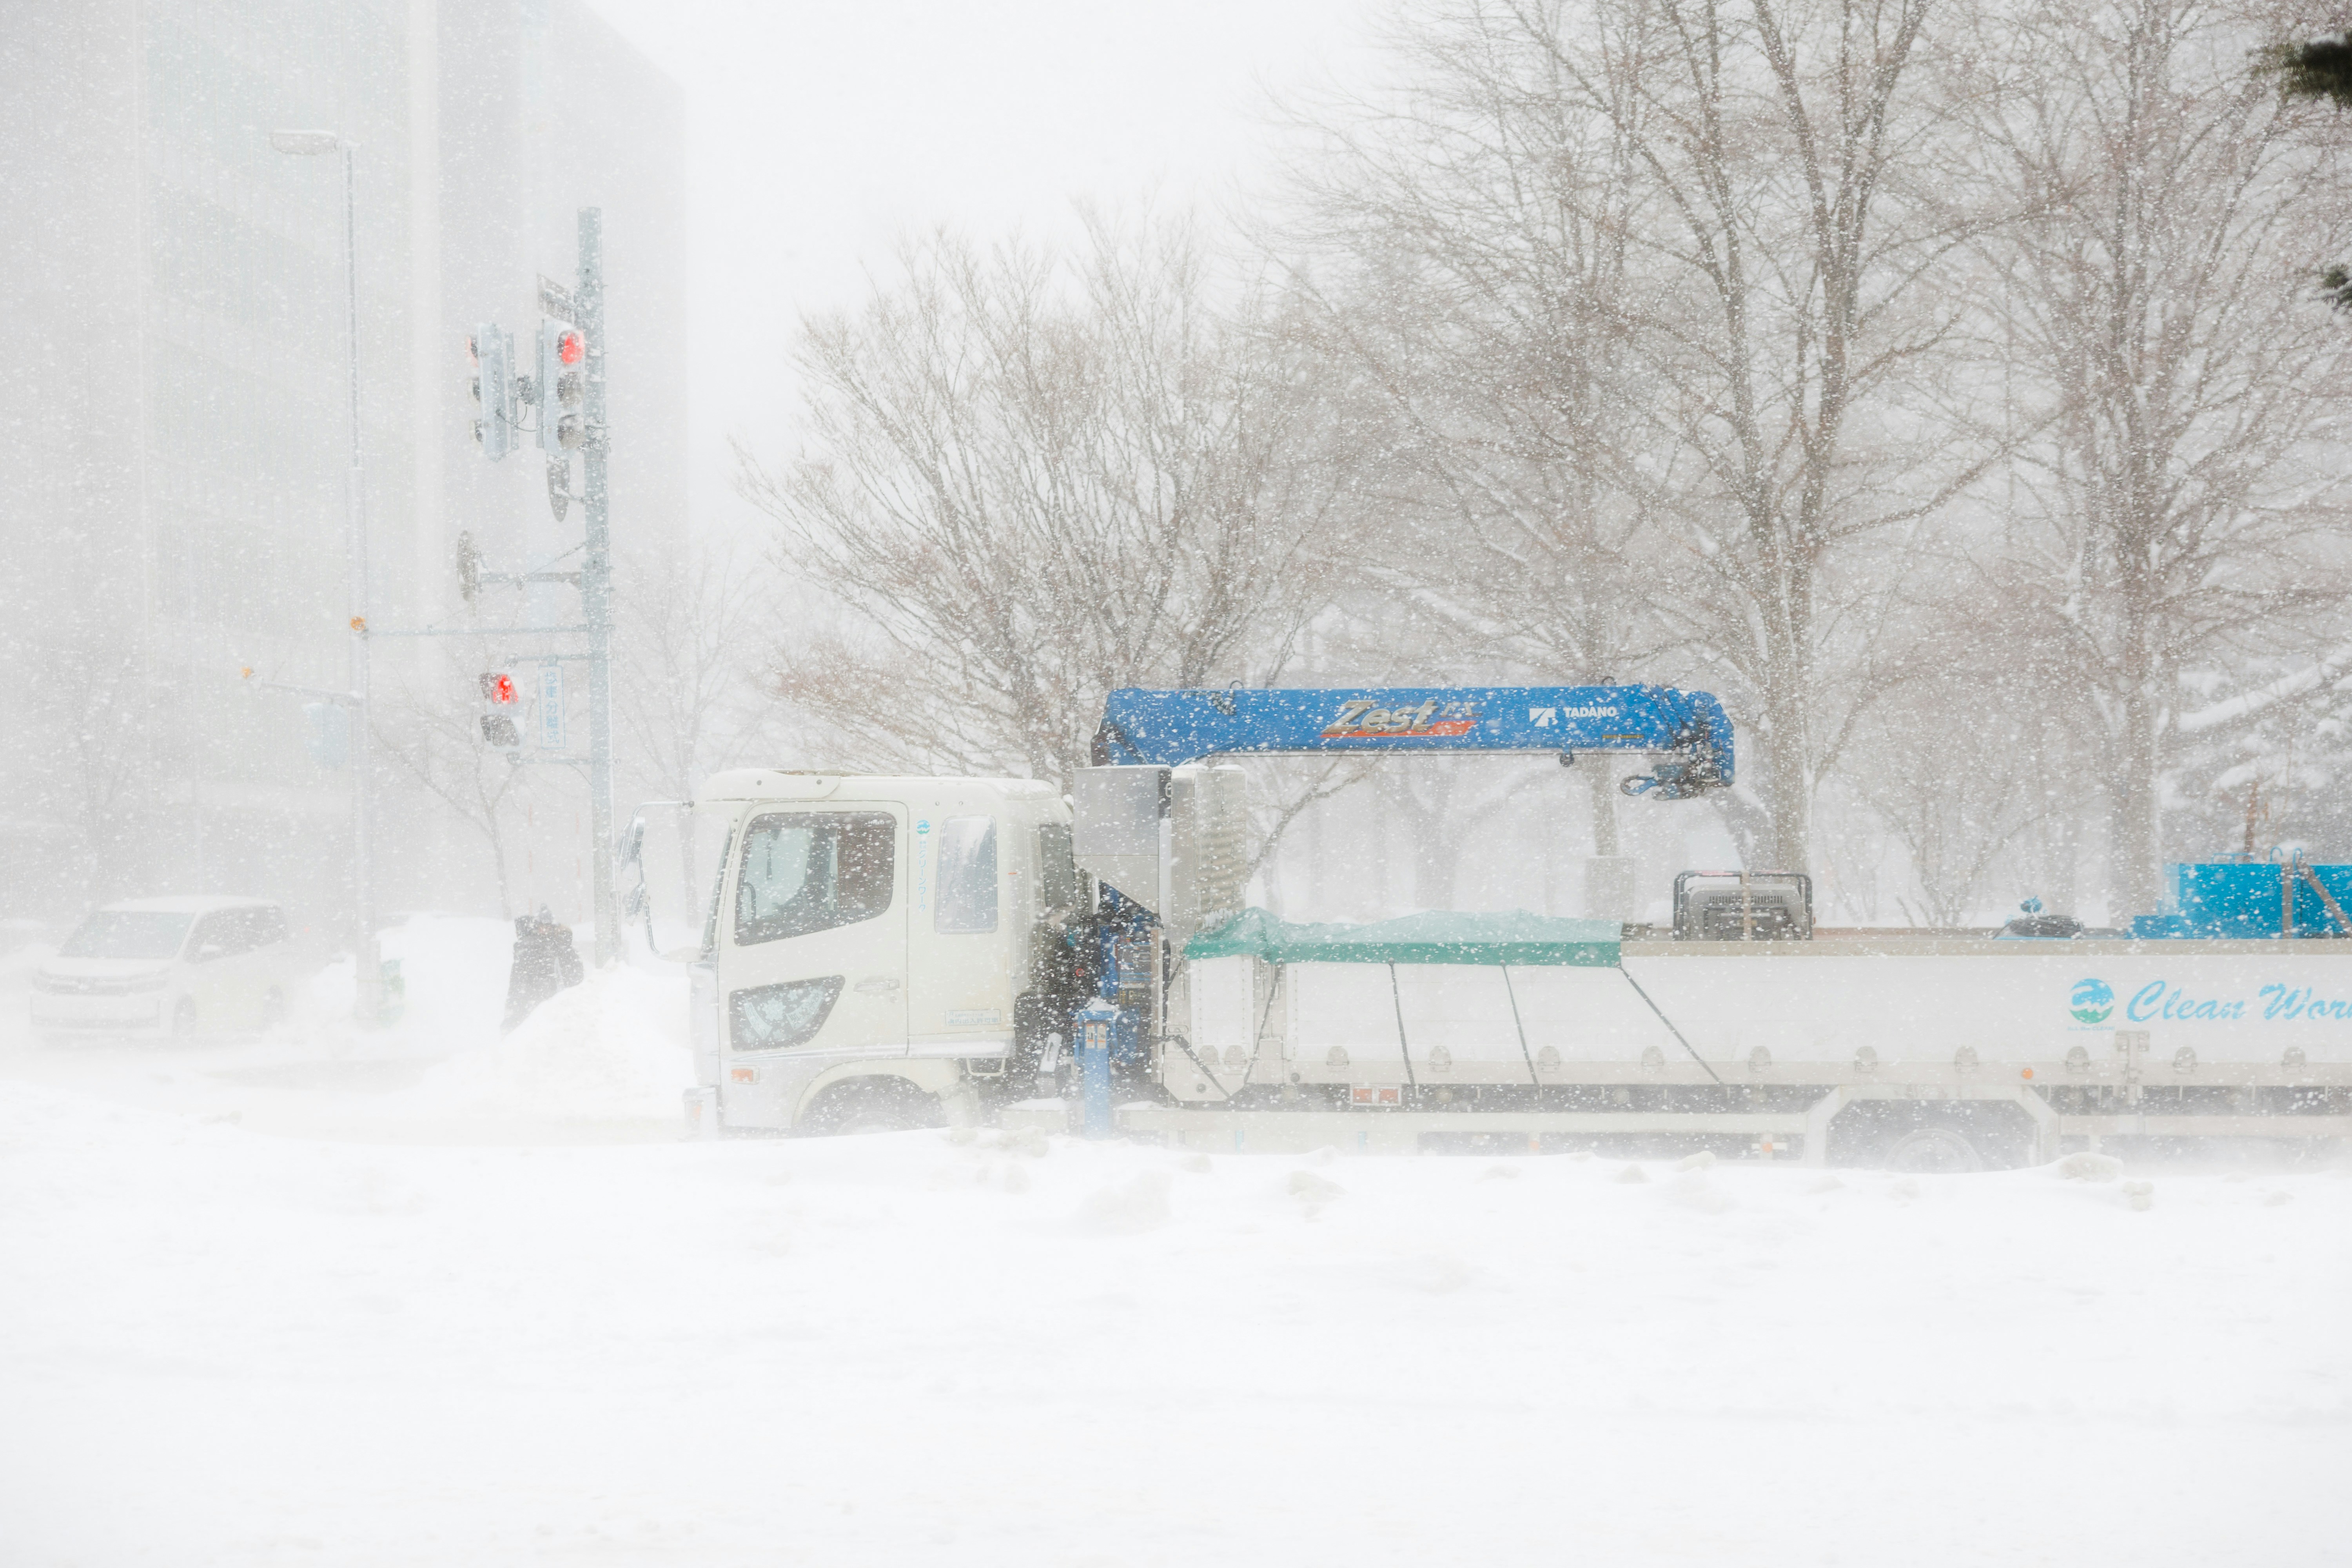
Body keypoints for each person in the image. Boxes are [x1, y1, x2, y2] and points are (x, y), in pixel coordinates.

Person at [502, 905, 585, 1031]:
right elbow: (518, 981)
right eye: (542, 926)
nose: (545, 930)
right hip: (542, 998)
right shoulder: (534, 947)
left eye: (548, 926)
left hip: (550, 997)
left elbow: (576, 976)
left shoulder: (557, 946)